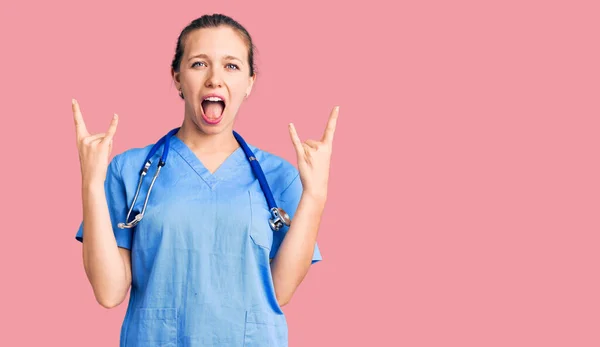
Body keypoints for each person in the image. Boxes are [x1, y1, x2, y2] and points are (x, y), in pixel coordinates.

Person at [72, 13, 338, 346]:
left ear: (251, 82)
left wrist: (316, 195)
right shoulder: (130, 170)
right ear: (177, 77)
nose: (214, 79)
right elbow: (109, 292)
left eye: (231, 66)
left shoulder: (279, 178)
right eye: (199, 64)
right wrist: (91, 185)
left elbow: (280, 291)